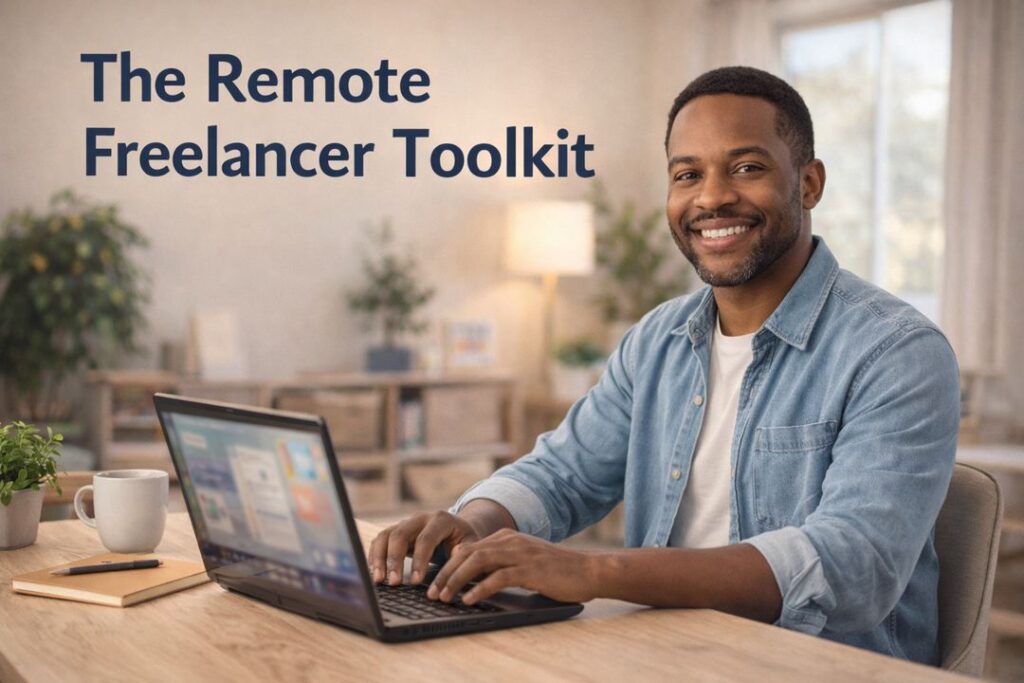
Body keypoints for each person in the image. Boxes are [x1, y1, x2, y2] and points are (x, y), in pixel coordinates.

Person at [368, 66, 960, 665]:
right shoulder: (657, 339)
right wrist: (471, 525)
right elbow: (563, 474)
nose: (710, 197)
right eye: (687, 175)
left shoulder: (896, 351)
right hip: (663, 654)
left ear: (808, 183)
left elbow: (853, 564)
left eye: (747, 168)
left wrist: (596, 570)